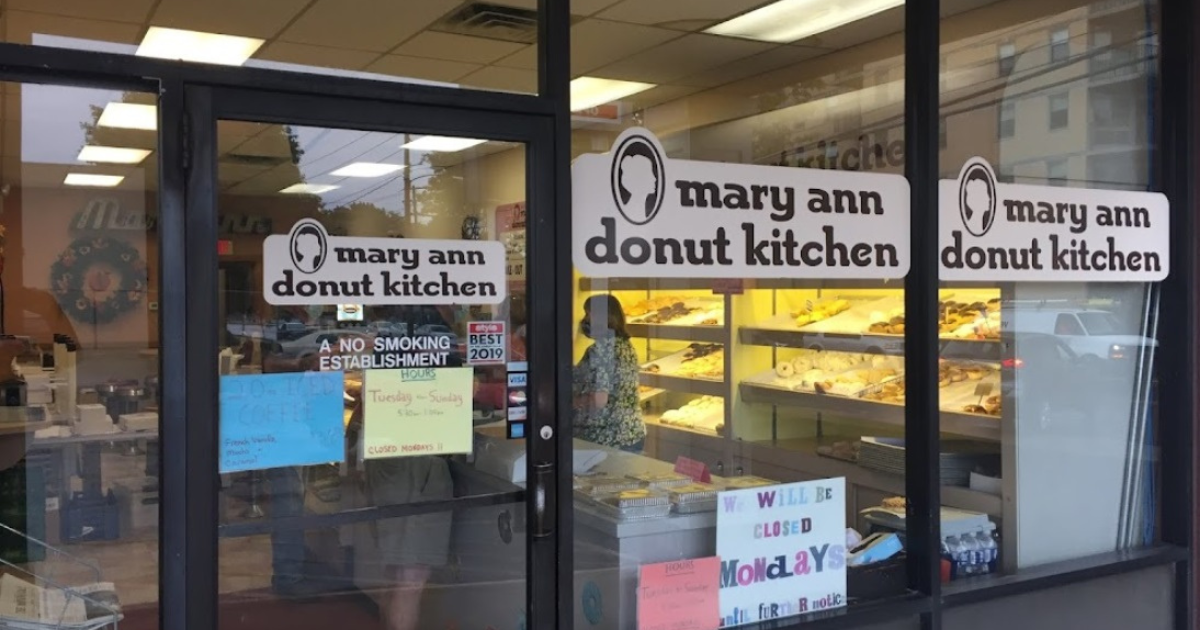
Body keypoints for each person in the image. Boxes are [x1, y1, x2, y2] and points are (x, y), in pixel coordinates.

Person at [572, 294, 645, 452]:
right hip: (631, 433)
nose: (585, 320)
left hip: (606, 438)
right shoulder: (626, 346)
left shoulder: (600, 350)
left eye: (588, 314)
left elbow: (599, 399)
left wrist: (576, 401)